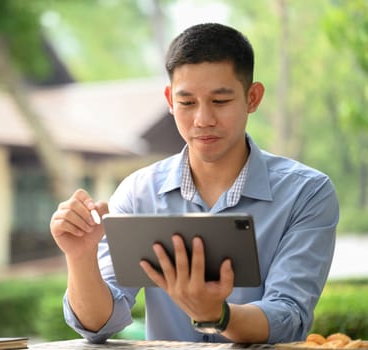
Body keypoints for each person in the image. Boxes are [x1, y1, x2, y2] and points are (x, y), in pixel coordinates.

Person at [49, 22, 339, 344]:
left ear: (253, 97)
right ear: (170, 100)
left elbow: (289, 316)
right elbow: (99, 325)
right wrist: (80, 256)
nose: (203, 119)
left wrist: (218, 314)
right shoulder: (138, 193)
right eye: (187, 103)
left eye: (220, 101)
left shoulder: (306, 193)